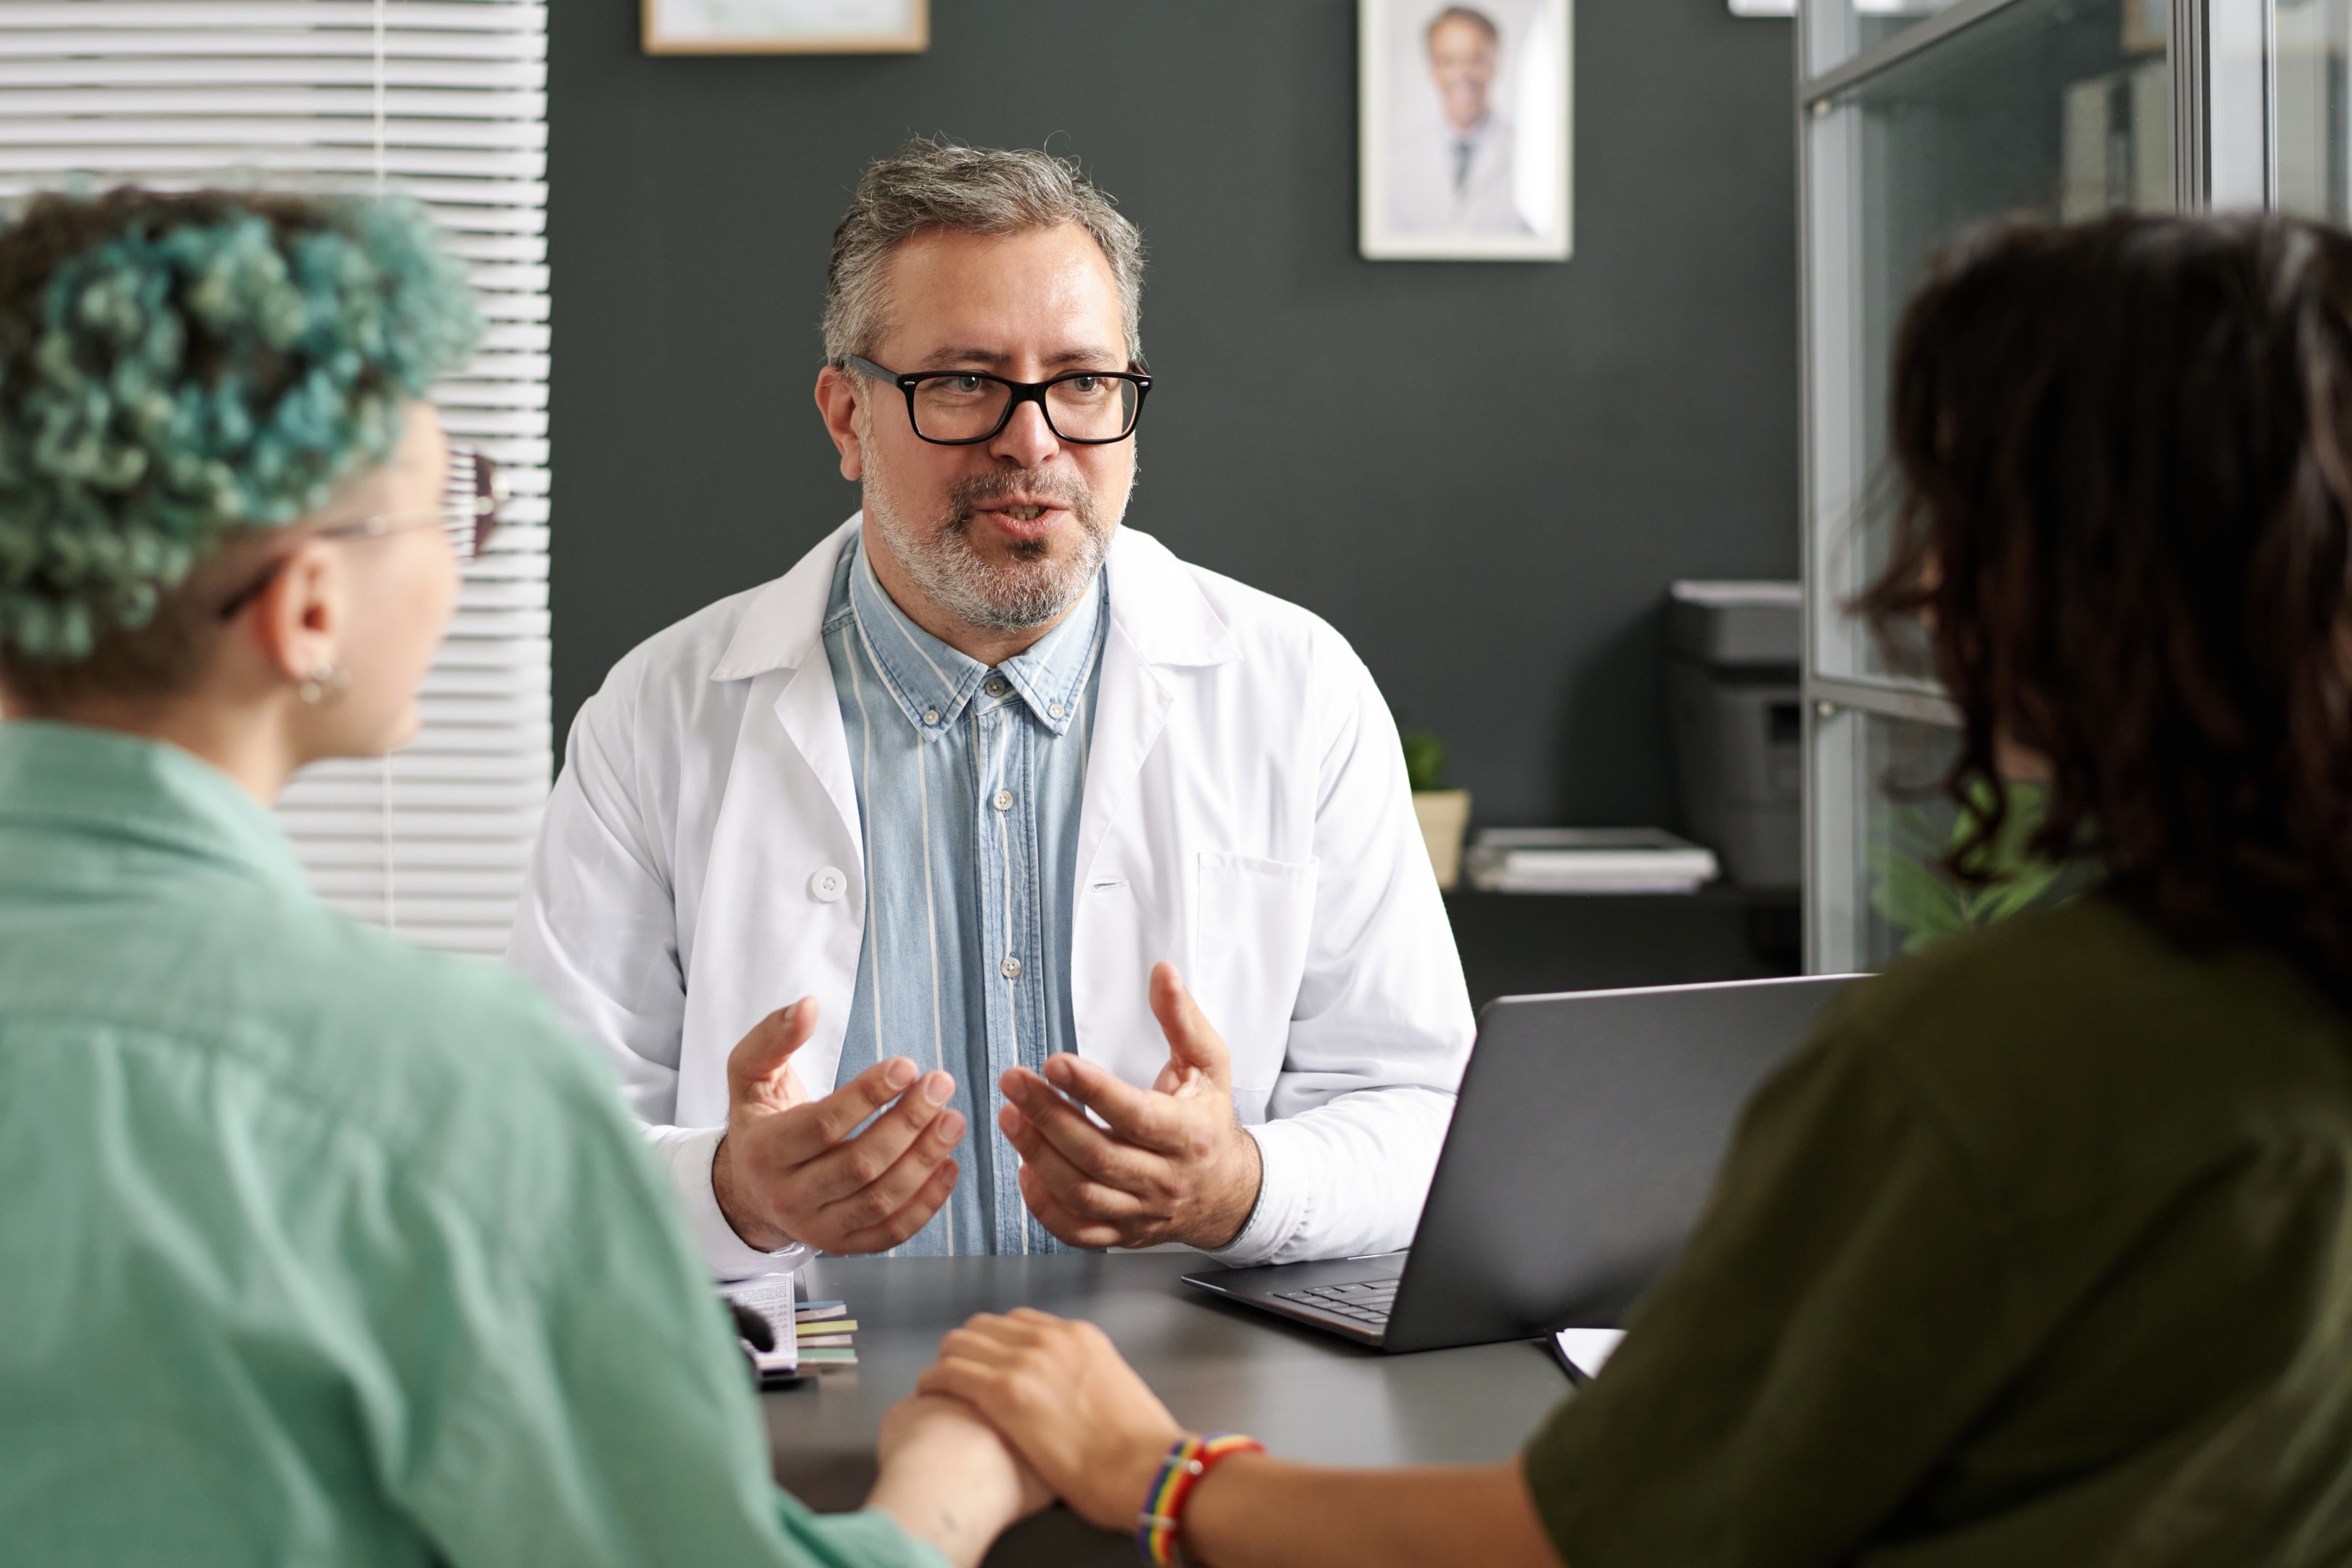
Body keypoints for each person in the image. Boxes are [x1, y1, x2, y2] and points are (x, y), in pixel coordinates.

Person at [913, 213, 2352, 1565]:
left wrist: (1153, 1473)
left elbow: (1578, 1540)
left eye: (1967, 515)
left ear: (2086, 582)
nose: (1924, 581)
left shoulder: (1985, 1064)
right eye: (967, 382)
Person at [0, 187, 1039, 1568]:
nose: (461, 549)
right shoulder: (426, 1089)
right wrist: (951, 1487)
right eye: (448, 504)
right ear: (310, 608)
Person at [508, 139, 1474, 1274]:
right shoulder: (658, 717)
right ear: (847, 418)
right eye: (963, 382)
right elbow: (541, 1155)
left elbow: (1423, 1114)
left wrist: (1238, 1186)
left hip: (1178, 1406)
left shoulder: (1296, 690)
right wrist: (733, 1191)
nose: (1033, 440)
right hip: (805, 1407)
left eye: (1081, 382)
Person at [1389, 6, 1530, 237]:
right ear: (1433, 69)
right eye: (1449, 60)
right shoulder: (1396, 161)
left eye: (1476, 59)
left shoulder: (1531, 158)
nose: (1463, 73)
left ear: (1495, 63)